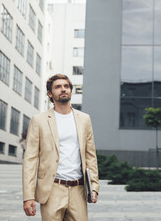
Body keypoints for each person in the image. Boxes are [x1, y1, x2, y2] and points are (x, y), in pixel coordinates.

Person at [22, 74, 99, 221]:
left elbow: (91, 156)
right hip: (52, 190)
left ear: (70, 90)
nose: (63, 89)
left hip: (79, 190)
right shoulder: (39, 121)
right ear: (50, 94)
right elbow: (30, 161)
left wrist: (94, 187)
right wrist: (28, 196)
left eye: (66, 86)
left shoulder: (84, 119)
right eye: (58, 87)